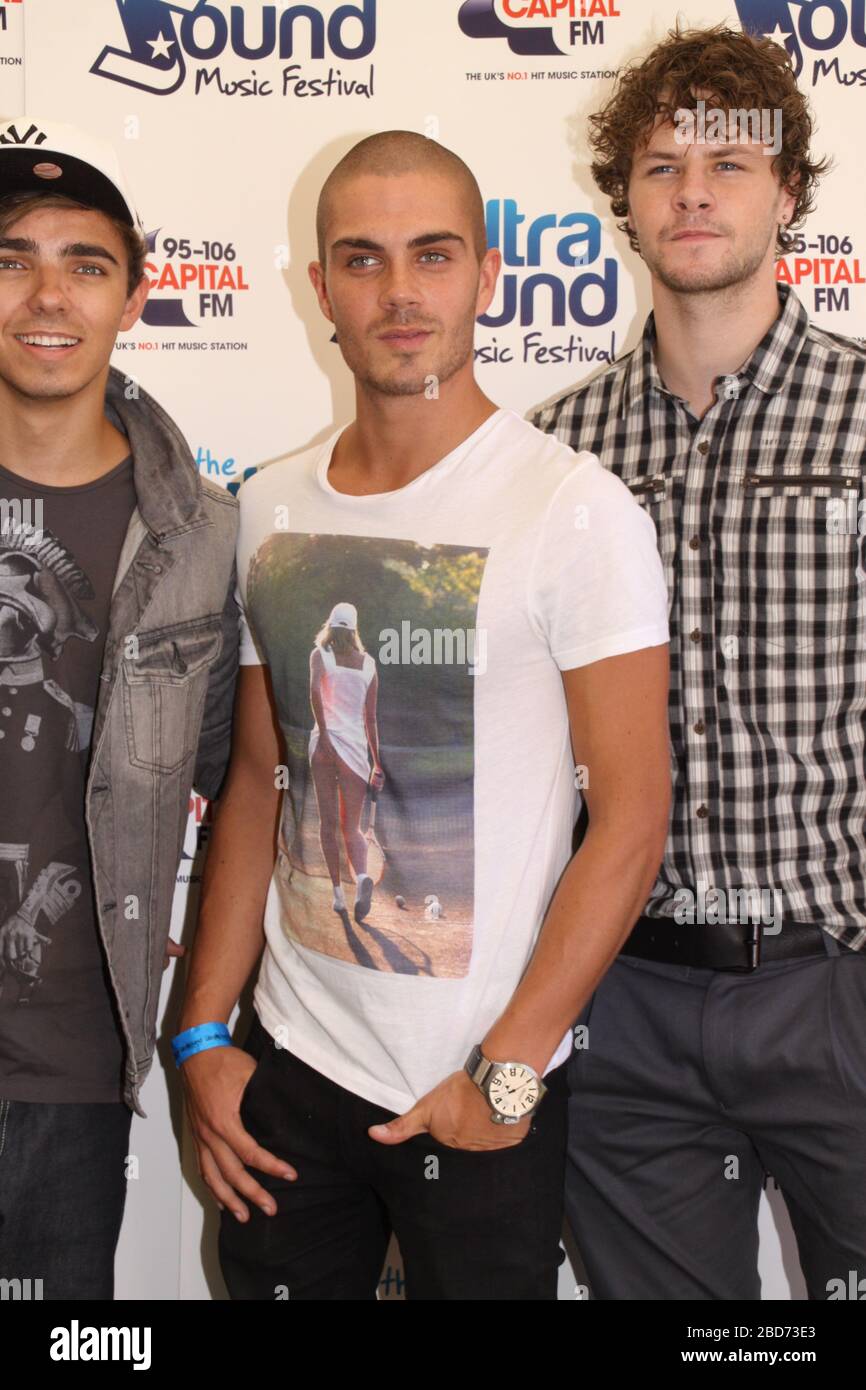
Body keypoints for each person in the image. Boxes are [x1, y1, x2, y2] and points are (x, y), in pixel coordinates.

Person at [177, 130, 670, 1302]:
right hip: (292, 1069)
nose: (399, 292)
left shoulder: (572, 511)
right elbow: (257, 782)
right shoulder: (270, 507)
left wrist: (507, 1072)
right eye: (363, 259)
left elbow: (631, 821)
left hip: (476, 1084)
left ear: (487, 275)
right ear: (320, 288)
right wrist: (202, 1036)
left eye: (432, 255)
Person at [533, 24, 866, 1300]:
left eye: (729, 162)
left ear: (786, 193)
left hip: (834, 984)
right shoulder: (553, 457)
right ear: (622, 199)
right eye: (661, 164)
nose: (691, 191)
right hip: (626, 1006)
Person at [0, 118, 239, 1300]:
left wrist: (199, 1012)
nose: (49, 296)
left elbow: (243, 790)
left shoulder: (201, 540)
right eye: (11, 259)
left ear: (134, 296)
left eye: (85, 265)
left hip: (73, 1065)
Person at [307, 601, 384, 922]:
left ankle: (338, 894)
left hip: (323, 746)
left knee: (327, 824)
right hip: (354, 749)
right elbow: (371, 719)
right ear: (354, 630)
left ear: (330, 626)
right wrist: (377, 763)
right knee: (351, 827)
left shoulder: (320, 655)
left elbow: (314, 692)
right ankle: (363, 876)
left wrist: (324, 734)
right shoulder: (369, 665)